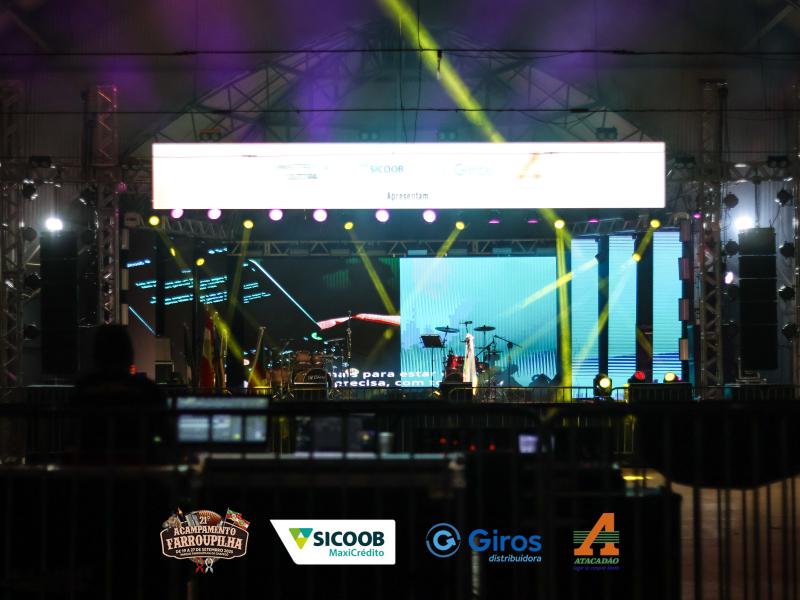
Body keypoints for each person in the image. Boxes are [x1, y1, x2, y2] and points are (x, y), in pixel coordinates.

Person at [72, 325, 167, 463]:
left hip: (91, 467)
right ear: (129, 353)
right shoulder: (148, 389)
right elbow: (163, 432)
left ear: (96, 354)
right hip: (141, 468)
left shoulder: (82, 388)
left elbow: (73, 436)